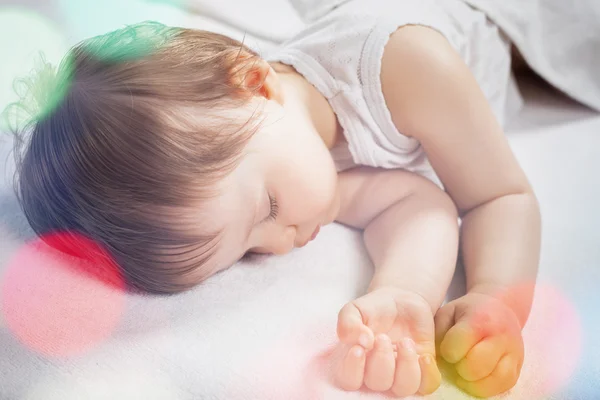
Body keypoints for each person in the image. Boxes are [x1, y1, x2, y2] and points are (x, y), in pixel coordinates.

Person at [6, 0, 541, 397]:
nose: (280, 245)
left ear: (255, 82)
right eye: (247, 251)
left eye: (267, 210)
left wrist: (497, 297)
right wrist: (404, 291)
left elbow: (499, 195)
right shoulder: (286, 147)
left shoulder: (410, 66)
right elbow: (414, 204)